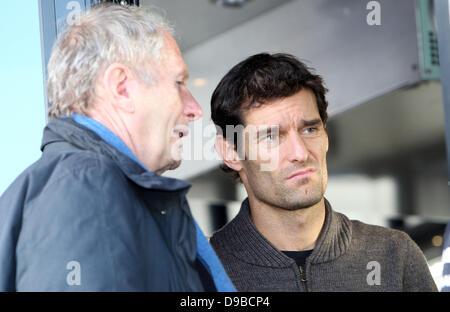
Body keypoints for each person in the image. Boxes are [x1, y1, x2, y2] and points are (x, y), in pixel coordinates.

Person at [0, 4, 235, 292]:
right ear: (122, 88)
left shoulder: (82, 184)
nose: (195, 109)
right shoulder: (87, 185)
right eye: (178, 83)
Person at [209, 53, 437, 292]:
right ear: (231, 153)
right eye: (272, 136)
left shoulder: (394, 256)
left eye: (309, 130)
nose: (300, 153)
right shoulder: (201, 273)